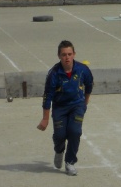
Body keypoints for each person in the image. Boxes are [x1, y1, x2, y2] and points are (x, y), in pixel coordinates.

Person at [37, 40, 94, 175]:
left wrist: (85, 103)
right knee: (60, 135)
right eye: (64, 55)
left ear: (74, 54)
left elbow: (89, 85)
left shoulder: (83, 69)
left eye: (69, 54)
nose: (67, 57)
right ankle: (59, 150)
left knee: (75, 132)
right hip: (60, 107)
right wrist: (45, 119)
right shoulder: (54, 73)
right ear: (59, 56)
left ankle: (70, 162)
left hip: (77, 105)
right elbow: (47, 96)